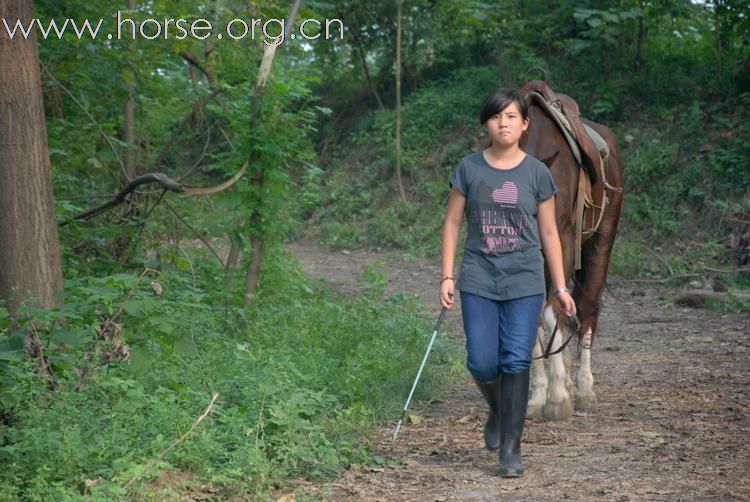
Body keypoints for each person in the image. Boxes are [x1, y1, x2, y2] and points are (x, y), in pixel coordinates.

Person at [439, 88, 576, 477]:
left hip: (525, 281)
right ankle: (500, 410)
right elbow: (451, 223)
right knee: (482, 362)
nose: (504, 123)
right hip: (479, 278)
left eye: (512, 117)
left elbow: (549, 233)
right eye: (497, 117)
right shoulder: (469, 169)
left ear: (524, 124)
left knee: (516, 359)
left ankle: (511, 449)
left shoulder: (536, 173)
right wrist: (447, 276)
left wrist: (562, 287)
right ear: (487, 123)